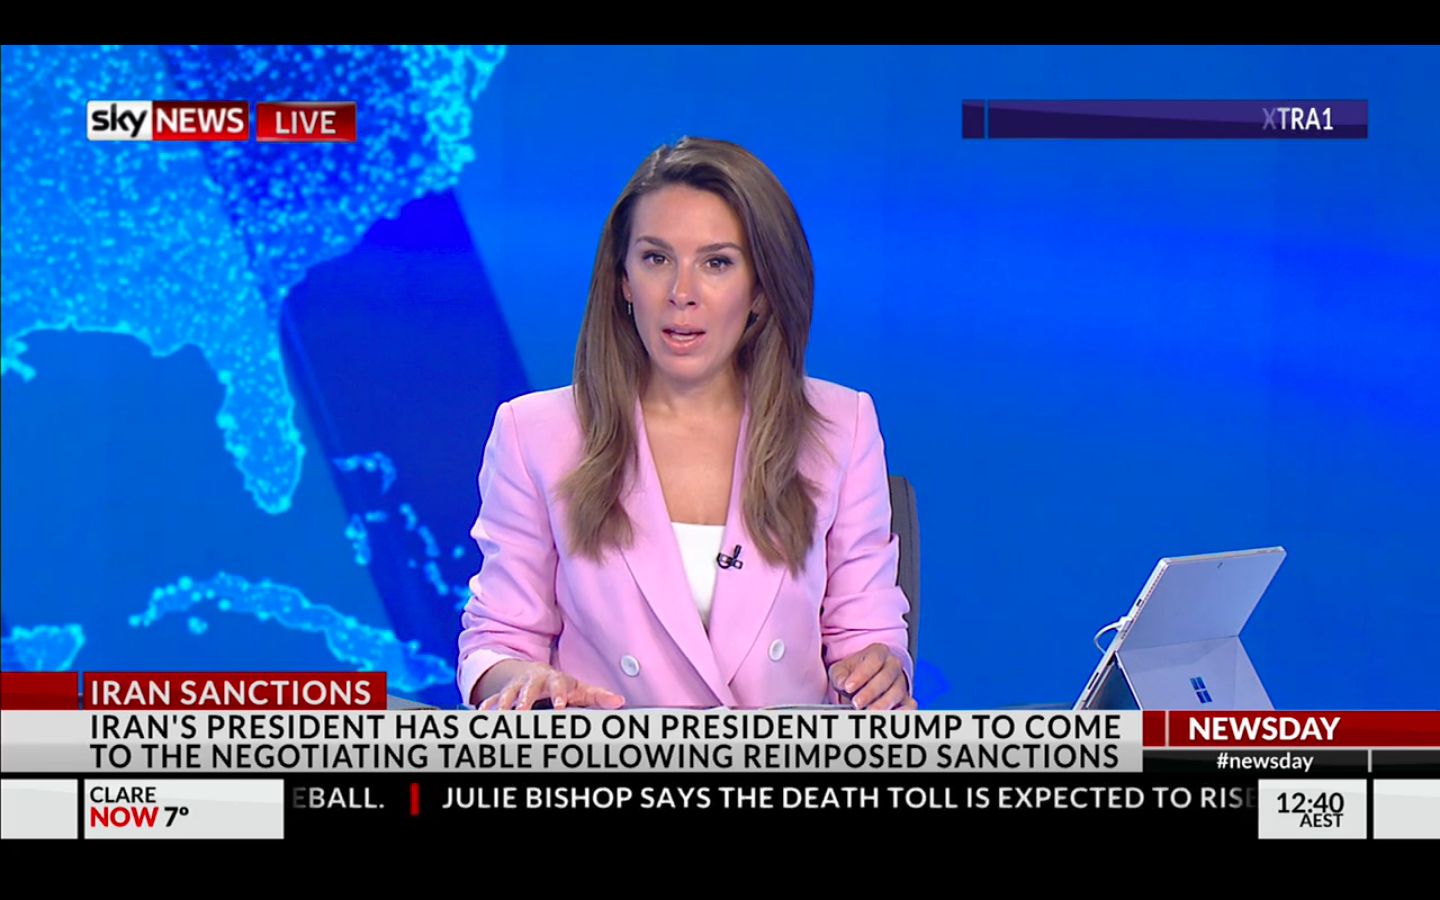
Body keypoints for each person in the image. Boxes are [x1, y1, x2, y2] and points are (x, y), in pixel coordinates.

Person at [457, 136, 915, 711]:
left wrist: (880, 671)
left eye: (716, 263)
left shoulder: (842, 427)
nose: (681, 293)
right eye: (656, 259)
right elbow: (498, 638)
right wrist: (519, 680)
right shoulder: (535, 434)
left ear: (761, 290)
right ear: (624, 281)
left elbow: (866, 633)